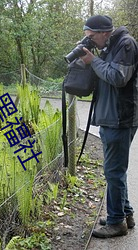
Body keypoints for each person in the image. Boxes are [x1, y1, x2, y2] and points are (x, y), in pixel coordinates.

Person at [80, 15, 138, 238]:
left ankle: (116, 223)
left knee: (113, 171)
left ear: (104, 32)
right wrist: (90, 60)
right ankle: (125, 214)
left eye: (92, 37)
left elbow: (117, 77)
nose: (91, 41)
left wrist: (93, 61)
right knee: (115, 171)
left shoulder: (126, 44)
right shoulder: (109, 46)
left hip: (120, 118)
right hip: (110, 117)